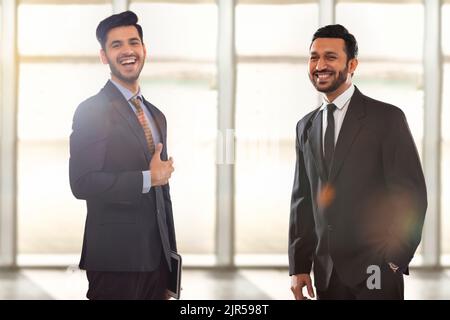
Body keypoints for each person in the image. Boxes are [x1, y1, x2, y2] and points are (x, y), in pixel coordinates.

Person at [288, 24, 427, 300]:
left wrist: (394, 259)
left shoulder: (386, 119)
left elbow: (411, 195)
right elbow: (302, 201)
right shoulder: (306, 126)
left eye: (330, 57)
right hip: (325, 274)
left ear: (352, 64)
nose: (320, 65)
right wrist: (299, 266)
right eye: (314, 57)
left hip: (377, 271)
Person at [69, 11, 177, 300]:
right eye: (116, 45)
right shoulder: (91, 110)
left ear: (144, 50)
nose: (127, 50)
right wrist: (147, 178)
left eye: (133, 42)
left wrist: (171, 270)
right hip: (116, 263)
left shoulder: (157, 116)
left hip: (156, 264)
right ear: (103, 56)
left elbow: (162, 197)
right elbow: (82, 183)